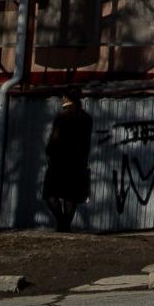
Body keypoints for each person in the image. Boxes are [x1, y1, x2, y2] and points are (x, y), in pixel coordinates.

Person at [43, 88, 93, 231]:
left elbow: (55, 138)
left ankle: (62, 223)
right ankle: (66, 226)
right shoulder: (86, 118)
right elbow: (86, 142)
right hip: (78, 161)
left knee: (50, 193)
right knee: (71, 195)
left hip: (59, 160)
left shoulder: (62, 116)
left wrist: (49, 152)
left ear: (66, 98)